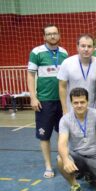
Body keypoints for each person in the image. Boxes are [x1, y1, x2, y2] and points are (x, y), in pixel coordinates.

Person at [57, 88, 96, 191]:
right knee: (60, 159)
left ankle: (91, 177)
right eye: (76, 103)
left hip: (95, 156)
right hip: (77, 157)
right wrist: (66, 160)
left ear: (87, 102)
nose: (79, 105)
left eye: (82, 102)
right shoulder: (65, 119)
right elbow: (62, 143)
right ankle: (75, 186)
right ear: (71, 103)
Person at [27, 24, 68, 179]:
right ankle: (48, 166)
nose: (52, 36)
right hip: (44, 101)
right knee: (45, 135)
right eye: (49, 34)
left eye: (55, 33)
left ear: (59, 35)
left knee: (63, 133)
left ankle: (63, 160)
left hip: (62, 101)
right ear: (44, 37)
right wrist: (33, 97)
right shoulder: (36, 52)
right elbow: (31, 75)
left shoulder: (64, 52)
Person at [58, 34, 96, 114]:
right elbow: (62, 87)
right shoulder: (67, 63)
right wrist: (64, 109)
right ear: (77, 47)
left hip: (93, 110)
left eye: (89, 46)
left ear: (93, 48)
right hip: (72, 110)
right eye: (83, 46)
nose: (86, 49)